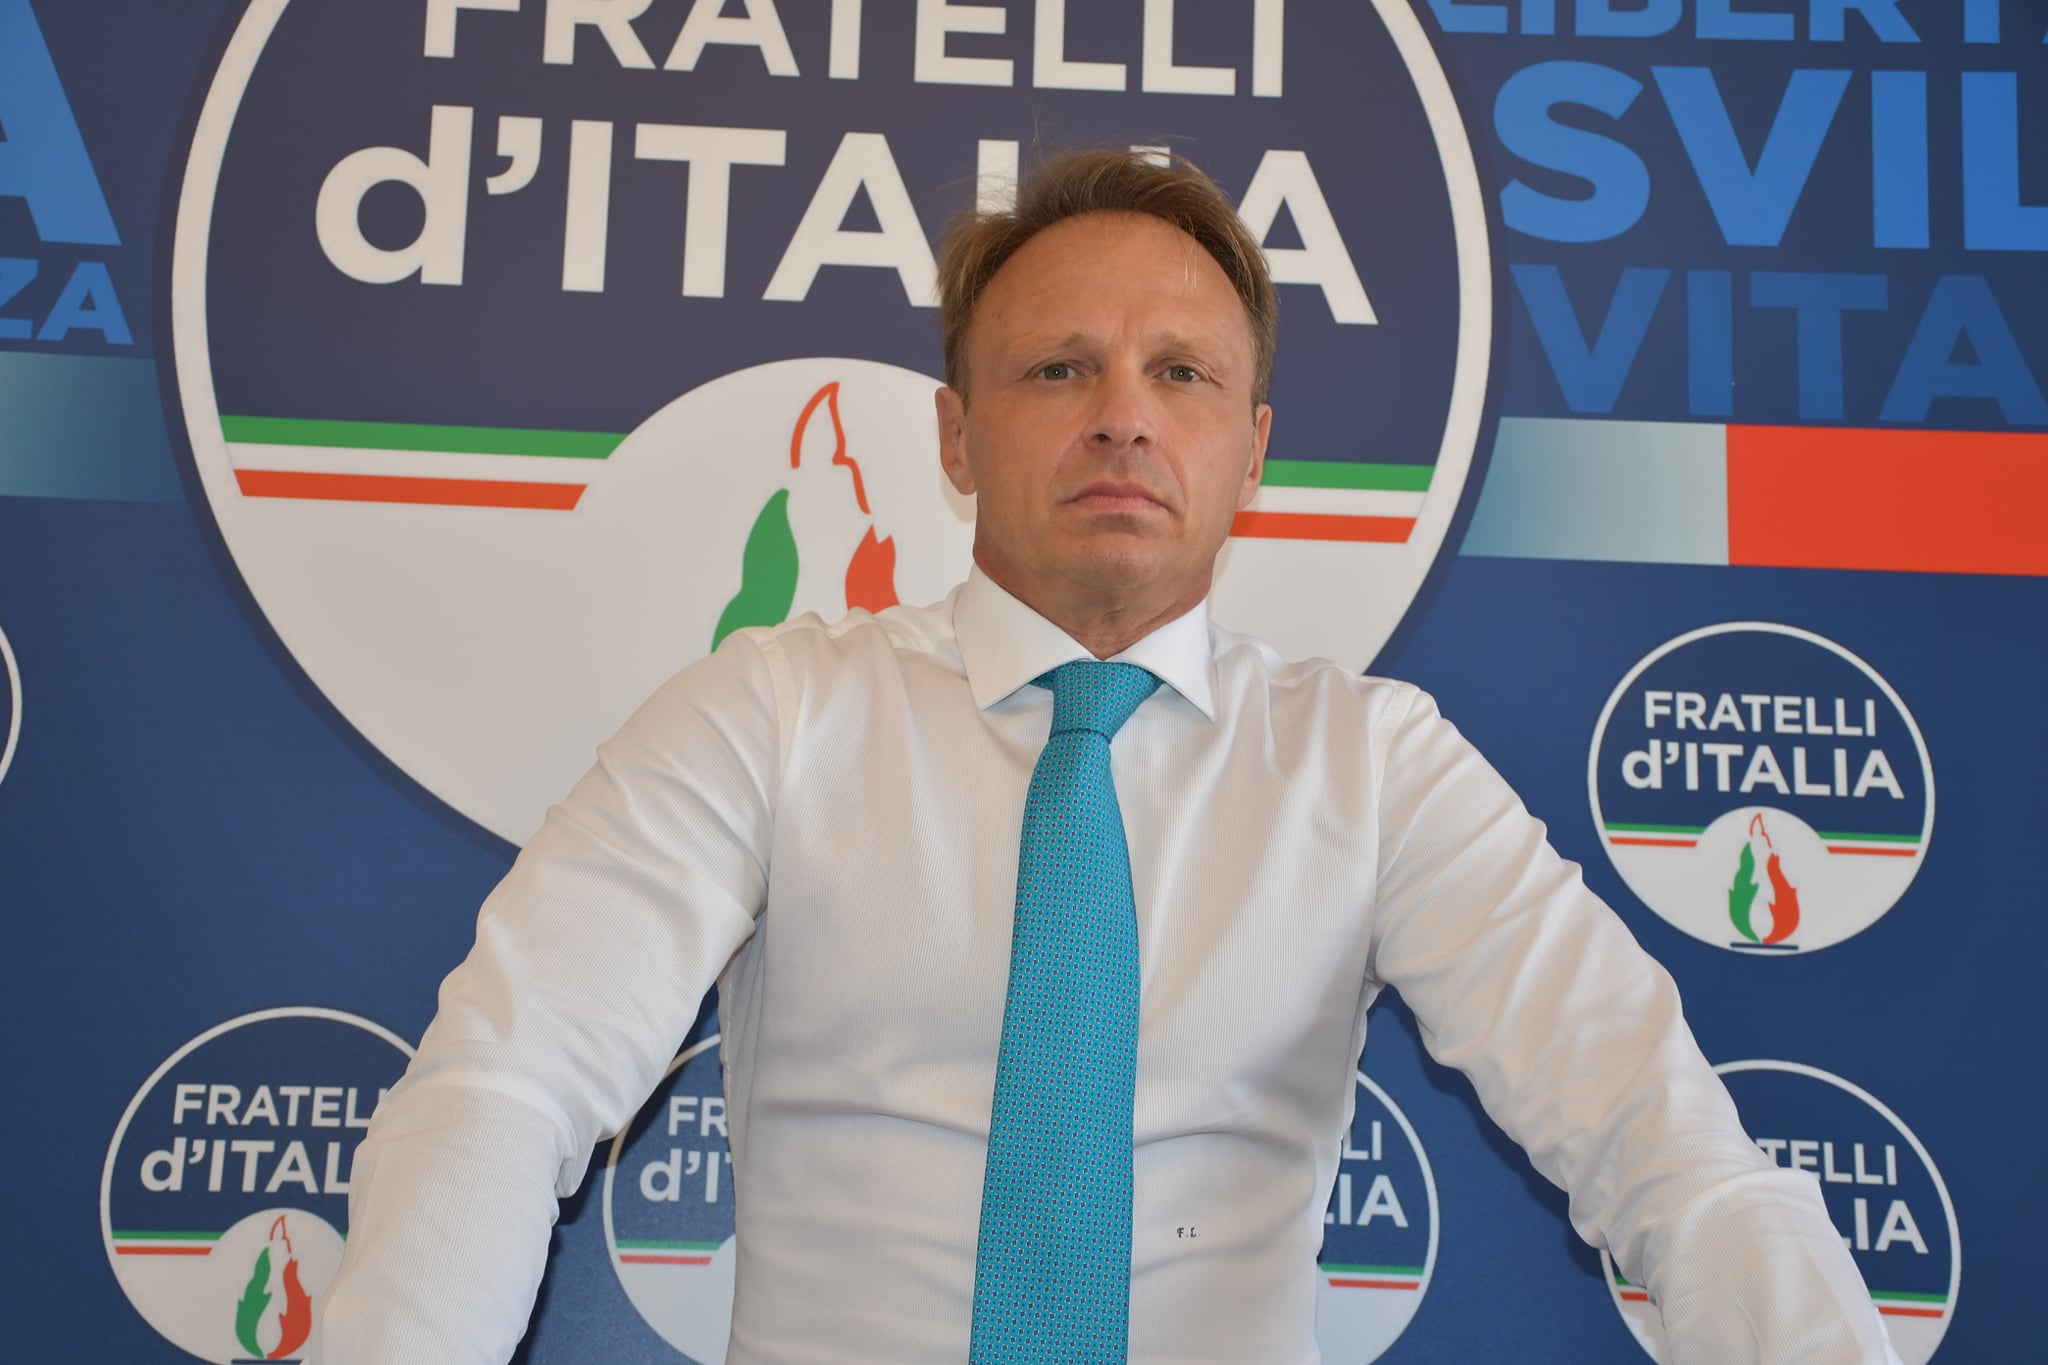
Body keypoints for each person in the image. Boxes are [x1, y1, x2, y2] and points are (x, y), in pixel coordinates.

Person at [309, 150, 1900, 1365]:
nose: (1123, 417)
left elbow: (1656, 1138)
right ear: (955, 435)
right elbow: (507, 1085)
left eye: (1182, 372)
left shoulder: (1373, 764)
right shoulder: (769, 713)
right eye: (1059, 368)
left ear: (1253, 448)